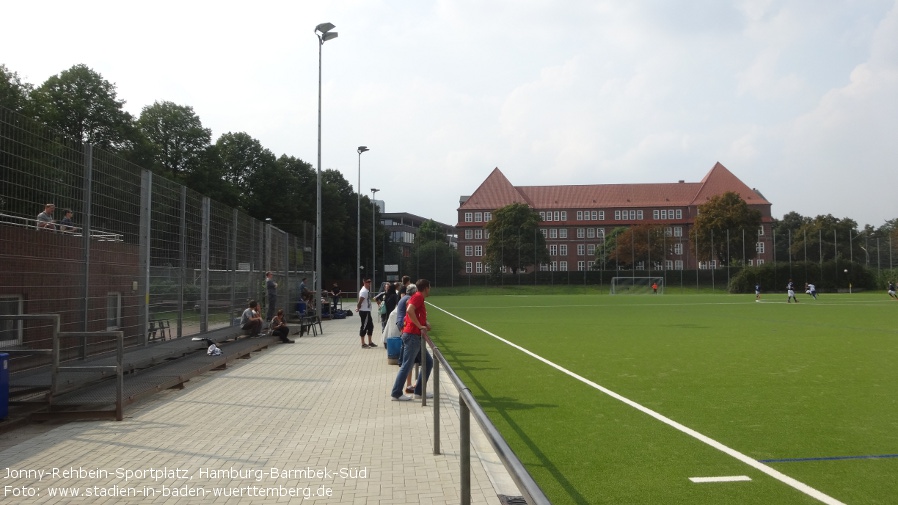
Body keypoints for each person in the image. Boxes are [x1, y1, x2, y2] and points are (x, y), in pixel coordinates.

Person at [391, 279, 434, 402]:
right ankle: (396, 393)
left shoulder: (417, 297)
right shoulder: (419, 296)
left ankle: (419, 392)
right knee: (407, 365)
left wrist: (424, 322)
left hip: (413, 335)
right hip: (412, 336)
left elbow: (411, 312)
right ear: (426, 288)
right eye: (429, 287)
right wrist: (420, 326)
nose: (429, 290)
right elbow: (409, 310)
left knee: (428, 362)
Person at [356, 279, 377, 348]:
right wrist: (358, 308)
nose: (369, 283)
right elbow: (360, 301)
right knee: (364, 327)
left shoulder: (367, 290)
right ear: (364, 282)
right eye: (368, 282)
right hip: (364, 311)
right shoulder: (364, 291)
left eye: (370, 282)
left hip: (367, 311)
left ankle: (370, 342)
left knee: (370, 326)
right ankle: (363, 343)